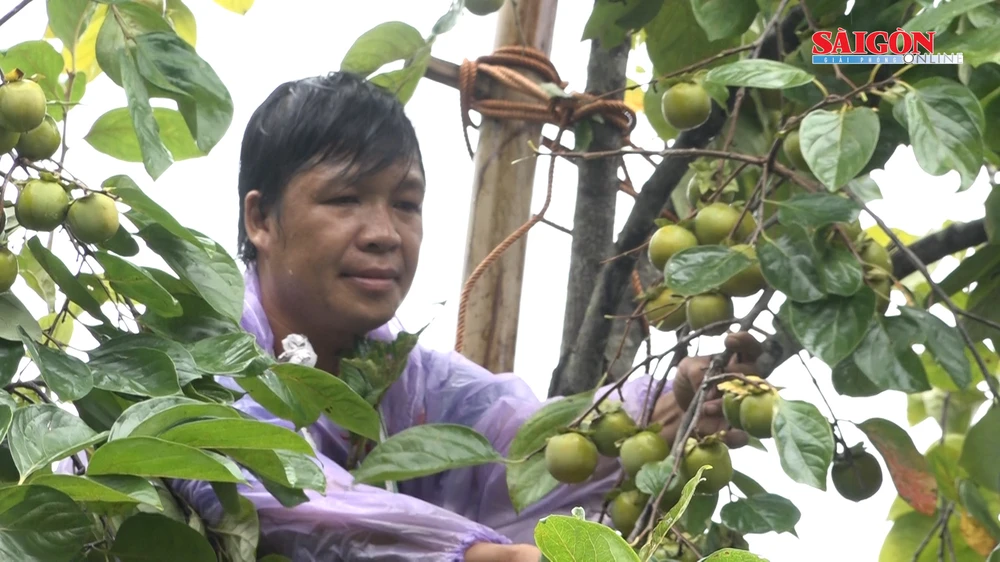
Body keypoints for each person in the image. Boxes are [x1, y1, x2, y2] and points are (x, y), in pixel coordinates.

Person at [170, 71, 767, 562]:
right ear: (262, 220)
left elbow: (524, 454)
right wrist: (474, 556)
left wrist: (664, 409)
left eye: (405, 204)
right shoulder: (197, 358)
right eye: (345, 199)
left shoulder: (406, 383)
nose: (385, 234)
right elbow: (255, 477)